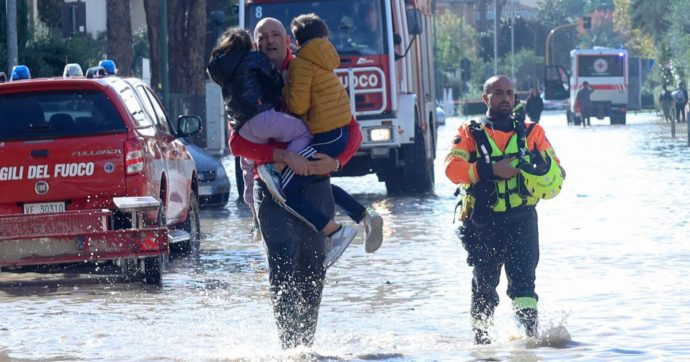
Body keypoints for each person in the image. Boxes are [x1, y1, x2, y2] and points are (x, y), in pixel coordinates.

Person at [445, 75, 565, 345]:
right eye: (498, 93)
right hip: (482, 222)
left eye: (509, 93)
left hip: (522, 219)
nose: (505, 98)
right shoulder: (469, 132)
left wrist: (542, 169)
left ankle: (530, 342)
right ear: (485, 98)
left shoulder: (533, 132)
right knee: (484, 284)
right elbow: (451, 170)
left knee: (524, 285)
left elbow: (556, 172)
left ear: (515, 98)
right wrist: (489, 170)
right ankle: (481, 342)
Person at [258, 13, 384, 261]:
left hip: (321, 142)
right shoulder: (323, 62)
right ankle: (365, 215)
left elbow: (298, 106)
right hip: (330, 139)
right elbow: (238, 142)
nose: (270, 41)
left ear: (290, 41)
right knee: (316, 184)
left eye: (275, 35)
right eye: (263, 37)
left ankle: (336, 233)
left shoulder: (300, 65)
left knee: (285, 191)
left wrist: (336, 162)